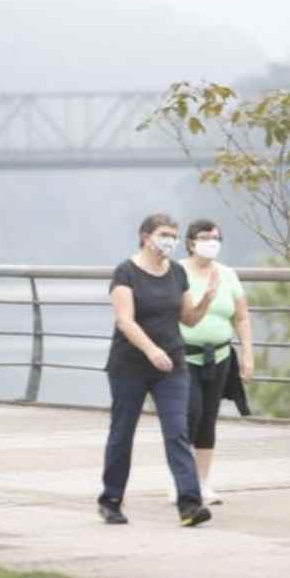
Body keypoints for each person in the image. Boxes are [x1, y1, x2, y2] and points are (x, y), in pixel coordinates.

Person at [98, 213, 220, 527]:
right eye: (164, 234)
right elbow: (125, 321)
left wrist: (206, 299)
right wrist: (151, 350)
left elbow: (188, 319)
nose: (170, 241)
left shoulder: (177, 272)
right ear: (146, 237)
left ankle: (189, 505)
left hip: (172, 365)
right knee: (122, 433)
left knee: (177, 431)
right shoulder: (125, 273)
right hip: (130, 366)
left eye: (174, 236)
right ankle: (111, 500)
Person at [172, 218, 254, 506]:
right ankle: (181, 480)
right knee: (189, 413)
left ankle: (202, 482)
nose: (211, 243)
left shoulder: (228, 275)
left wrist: (247, 354)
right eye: (205, 238)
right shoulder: (177, 272)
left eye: (216, 238)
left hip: (218, 356)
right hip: (184, 356)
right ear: (191, 242)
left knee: (208, 416)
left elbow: (241, 317)